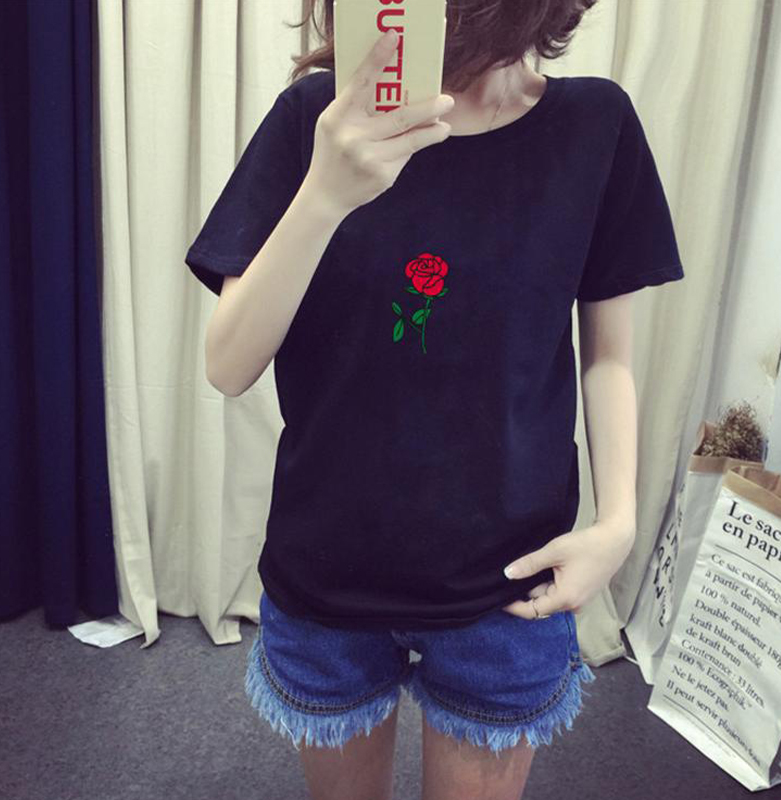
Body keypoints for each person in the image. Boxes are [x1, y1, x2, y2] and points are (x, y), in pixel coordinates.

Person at [184, 2, 685, 798]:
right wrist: (325, 193)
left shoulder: (596, 126)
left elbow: (609, 357)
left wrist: (617, 524)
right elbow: (227, 364)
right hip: (329, 568)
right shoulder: (318, 121)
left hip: (509, 583)